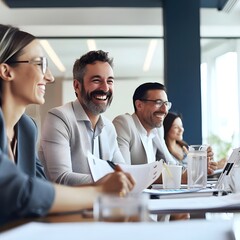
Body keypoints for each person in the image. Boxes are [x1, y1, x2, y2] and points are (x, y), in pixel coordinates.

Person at [0, 24, 135, 225]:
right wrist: (98, 191)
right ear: (6, 71)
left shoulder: (27, 128)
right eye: (40, 65)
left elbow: (41, 188)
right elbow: (21, 191)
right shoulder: (60, 117)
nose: (50, 77)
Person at [39, 50, 126, 186]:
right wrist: (111, 181)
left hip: (103, 204)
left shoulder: (109, 127)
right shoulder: (59, 118)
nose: (105, 88)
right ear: (77, 86)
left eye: (110, 81)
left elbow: (123, 172)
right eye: (96, 80)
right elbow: (61, 178)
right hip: (69, 206)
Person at [113, 82, 217, 184]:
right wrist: (179, 177)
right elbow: (123, 173)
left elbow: (171, 163)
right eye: (158, 103)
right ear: (139, 105)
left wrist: (198, 165)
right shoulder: (124, 123)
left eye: (166, 104)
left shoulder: (157, 129)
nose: (164, 110)